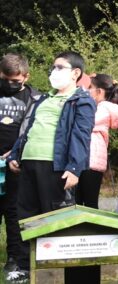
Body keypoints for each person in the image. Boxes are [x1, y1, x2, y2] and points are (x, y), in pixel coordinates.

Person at [6, 51, 96, 283]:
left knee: (54, 216)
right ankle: (26, 267)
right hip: (29, 163)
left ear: (75, 73)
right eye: (53, 67)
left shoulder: (82, 100)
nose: (53, 72)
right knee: (27, 216)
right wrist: (16, 154)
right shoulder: (44, 99)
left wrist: (75, 167)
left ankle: (54, 269)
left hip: (55, 166)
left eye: (59, 67)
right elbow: (28, 130)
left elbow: (81, 135)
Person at [0, 53, 40, 274]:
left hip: (17, 164)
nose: (9, 84)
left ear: (26, 76)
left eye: (14, 81)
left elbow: (36, 131)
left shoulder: (35, 99)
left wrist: (16, 152)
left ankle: (14, 258)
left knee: (14, 212)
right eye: (4, 79)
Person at [78, 73, 118, 208]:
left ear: (99, 92)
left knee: (87, 202)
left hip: (90, 160)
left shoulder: (104, 108)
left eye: (89, 87)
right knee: (84, 201)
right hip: (89, 159)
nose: (85, 90)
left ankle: (87, 229)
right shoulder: (100, 107)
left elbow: (85, 122)